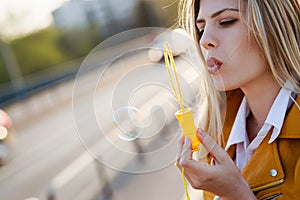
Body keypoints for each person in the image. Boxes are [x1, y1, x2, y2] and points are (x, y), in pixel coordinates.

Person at [175, 0, 300, 199]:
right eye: (201, 28)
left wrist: (236, 194)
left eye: (226, 21)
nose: (204, 40)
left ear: (273, 26)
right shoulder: (214, 133)